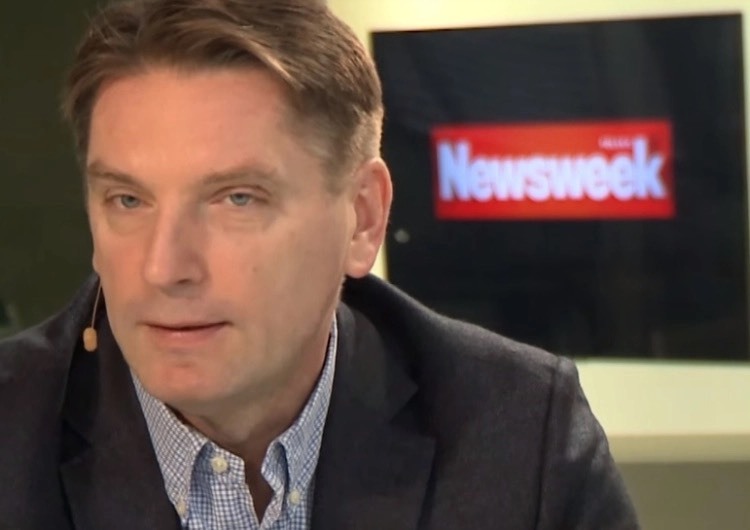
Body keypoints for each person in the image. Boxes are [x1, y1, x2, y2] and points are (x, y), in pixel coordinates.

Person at [0, 0, 640, 528]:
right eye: (128, 200)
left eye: (237, 199)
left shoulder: (519, 438)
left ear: (362, 218)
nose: (163, 268)